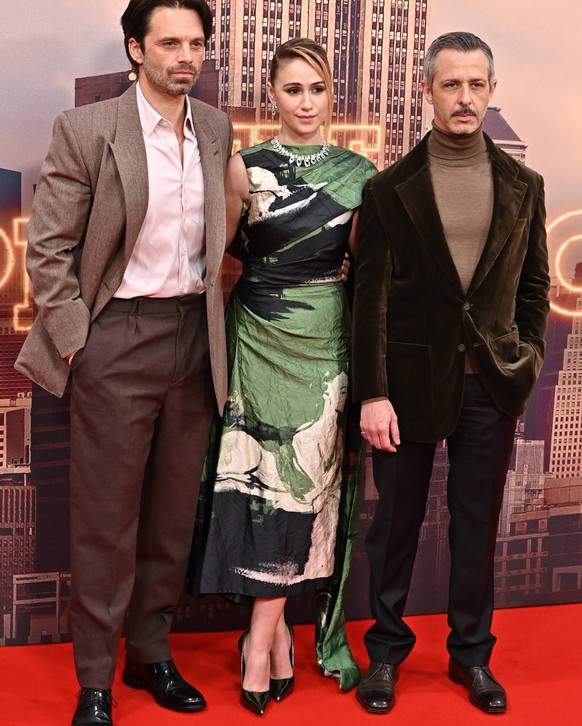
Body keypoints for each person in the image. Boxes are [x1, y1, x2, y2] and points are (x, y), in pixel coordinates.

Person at [15, 1, 232, 724]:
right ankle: (97, 680)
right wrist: (82, 338)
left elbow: (221, 233)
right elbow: (47, 249)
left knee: (171, 518)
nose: (186, 56)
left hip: (193, 337)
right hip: (117, 338)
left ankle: (150, 653)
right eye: (170, 42)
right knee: (106, 522)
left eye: (196, 42)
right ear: (136, 49)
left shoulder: (217, 128)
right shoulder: (89, 129)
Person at [352, 31, 550, 716]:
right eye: (451, 85)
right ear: (428, 91)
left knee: (476, 526)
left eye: (476, 85)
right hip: (406, 389)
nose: (464, 97)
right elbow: (369, 299)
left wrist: (524, 362)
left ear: (491, 91)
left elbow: (534, 288)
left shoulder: (526, 185)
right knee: (394, 529)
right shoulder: (387, 190)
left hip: (490, 386)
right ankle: (383, 656)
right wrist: (373, 392)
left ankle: (472, 658)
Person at [193, 38, 376, 715]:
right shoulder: (245, 167)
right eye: (292, 89)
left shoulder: (361, 174)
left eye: (317, 89)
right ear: (271, 93)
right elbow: (216, 260)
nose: (306, 102)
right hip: (257, 335)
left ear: (333, 97)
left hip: (325, 341)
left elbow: (365, 272)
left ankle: (262, 640)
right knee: (262, 481)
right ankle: (268, 638)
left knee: (305, 486)